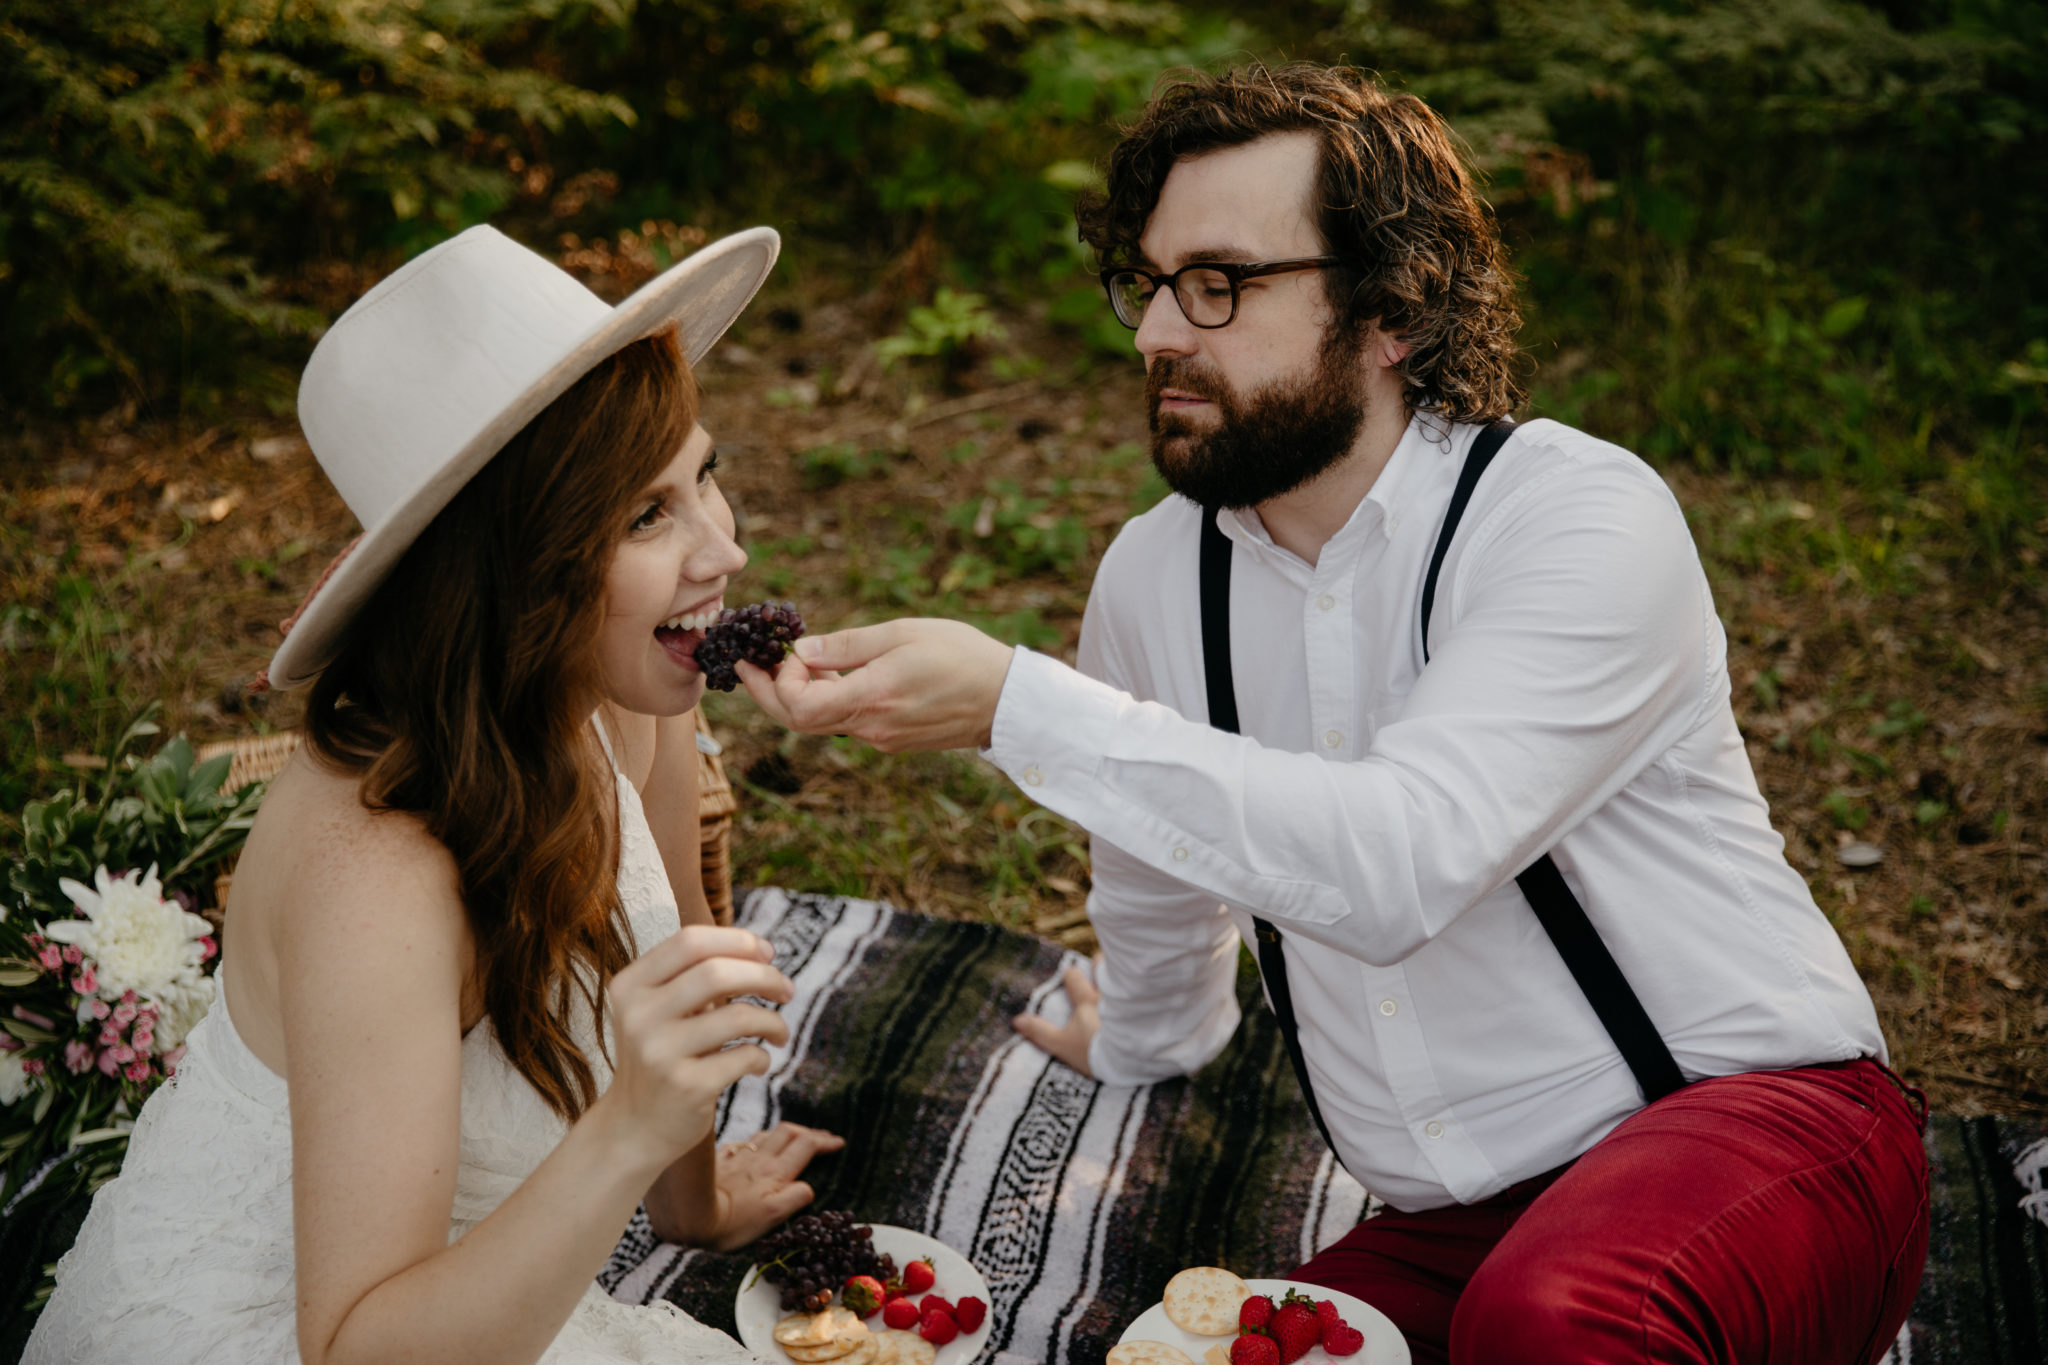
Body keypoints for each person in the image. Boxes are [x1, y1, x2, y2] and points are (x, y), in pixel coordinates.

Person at [737, 64, 1930, 1365]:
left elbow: (1399, 859)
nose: (1153, 338)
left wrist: (1015, 706)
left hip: (1755, 1128)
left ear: (1394, 312)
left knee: (1551, 1323)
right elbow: (1154, 881)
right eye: (1148, 283)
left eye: (1221, 284)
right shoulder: (1154, 575)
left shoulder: (1575, 518)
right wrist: (1141, 1037)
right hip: (1448, 1217)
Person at [27, 225, 843, 1363]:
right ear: (509, 572)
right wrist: (622, 1134)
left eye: (704, 477)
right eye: (645, 516)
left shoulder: (624, 688)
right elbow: (354, 1348)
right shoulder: (379, 871)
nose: (725, 555)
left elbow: (681, 954)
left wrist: (689, 1202)